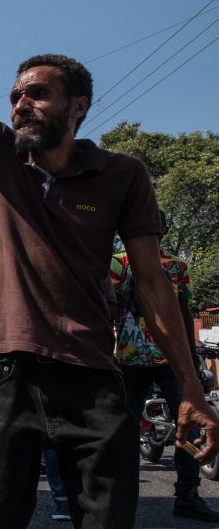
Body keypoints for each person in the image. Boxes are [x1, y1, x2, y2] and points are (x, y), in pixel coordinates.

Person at [0, 0, 219, 527]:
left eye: (37, 93)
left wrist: (192, 388)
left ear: (76, 105)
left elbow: (153, 285)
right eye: (16, 95)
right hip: (7, 376)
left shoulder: (122, 174)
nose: (20, 104)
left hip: (93, 378)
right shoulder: (1, 156)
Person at [113, 213, 219, 522]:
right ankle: (119, 497)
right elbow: (107, 307)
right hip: (130, 361)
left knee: (189, 425)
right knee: (122, 431)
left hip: (170, 361)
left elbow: (184, 311)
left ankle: (188, 494)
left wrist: (192, 355)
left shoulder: (176, 266)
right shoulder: (118, 264)